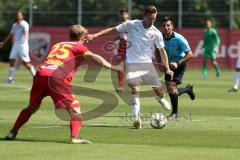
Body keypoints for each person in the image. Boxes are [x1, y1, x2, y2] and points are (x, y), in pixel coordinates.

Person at [4, 24, 123, 144]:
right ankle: (75, 137)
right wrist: (114, 67)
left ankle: (13, 131)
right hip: (57, 77)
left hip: (40, 75)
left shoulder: (58, 44)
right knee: (75, 110)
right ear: (83, 36)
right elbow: (94, 57)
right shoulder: (79, 47)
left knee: (31, 107)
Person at [86, 6, 173, 129]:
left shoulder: (156, 33)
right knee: (134, 89)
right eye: (150, 18)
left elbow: (162, 51)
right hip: (132, 64)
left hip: (147, 64)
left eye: (154, 18)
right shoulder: (132, 24)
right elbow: (112, 30)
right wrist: (94, 35)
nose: (152, 21)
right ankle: (137, 119)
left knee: (158, 90)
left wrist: (167, 68)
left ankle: (160, 98)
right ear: (144, 16)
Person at [159, 16, 195, 119]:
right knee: (171, 90)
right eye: (164, 25)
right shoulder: (159, 37)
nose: (166, 27)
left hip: (180, 63)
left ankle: (174, 114)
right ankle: (188, 89)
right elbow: (158, 50)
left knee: (171, 87)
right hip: (167, 65)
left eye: (168, 25)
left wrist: (177, 63)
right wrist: (160, 62)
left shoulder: (179, 39)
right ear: (161, 27)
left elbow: (190, 54)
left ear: (172, 26)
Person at [0, 11, 36, 83]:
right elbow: (10, 34)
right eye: (17, 16)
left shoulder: (25, 24)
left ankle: (36, 77)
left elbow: (26, 33)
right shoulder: (15, 25)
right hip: (16, 45)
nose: (18, 17)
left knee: (25, 63)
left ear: (22, 16)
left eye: (19, 16)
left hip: (23, 45)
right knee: (11, 60)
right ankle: (10, 79)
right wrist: (3, 42)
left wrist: (25, 41)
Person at [114, 8, 129, 92]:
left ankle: (134, 84)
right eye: (122, 14)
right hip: (122, 48)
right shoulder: (119, 24)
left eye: (125, 14)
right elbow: (121, 36)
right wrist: (116, 38)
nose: (123, 16)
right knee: (120, 66)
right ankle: (121, 86)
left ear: (128, 15)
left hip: (131, 47)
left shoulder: (131, 24)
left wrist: (128, 38)